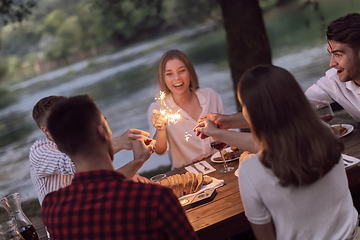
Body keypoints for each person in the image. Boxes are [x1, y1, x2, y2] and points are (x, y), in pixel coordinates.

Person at [198, 65, 359, 240]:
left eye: (243, 105)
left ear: (250, 113)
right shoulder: (324, 132)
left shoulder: (251, 171)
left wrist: (218, 132)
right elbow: (277, 145)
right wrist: (219, 132)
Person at [42, 95, 198, 240]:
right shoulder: (155, 198)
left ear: (61, 148)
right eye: (105, 121)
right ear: (102, 132)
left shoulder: (53, 208)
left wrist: (138, 161)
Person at [30, 95, 151, 205]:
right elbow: (75, 161)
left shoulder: (79, 141)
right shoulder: (39, 150)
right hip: (65, 224)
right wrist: (120, 142)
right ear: (46, 130)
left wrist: (132, 169)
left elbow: (102, 184)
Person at [147, 49, 225, 169]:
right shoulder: (157, 108)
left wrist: (214, 154)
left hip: (219, 163)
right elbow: (160, 150)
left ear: (190, 72)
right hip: (186, 174)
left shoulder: (210, 96)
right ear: (163, 78)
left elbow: (226, 132)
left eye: (182, 71)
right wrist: (161, 129)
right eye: (169, 73)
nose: (177, 78)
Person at [305, 13, 360, 121]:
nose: (332, 63)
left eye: (338, 55)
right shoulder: (334, 80)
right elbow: (297, 105)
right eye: (331, 54)